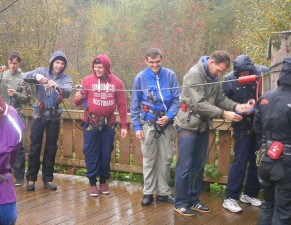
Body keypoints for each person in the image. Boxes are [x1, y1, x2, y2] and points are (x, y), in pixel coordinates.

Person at [174, 51, 254, 217]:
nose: (220, 74)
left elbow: (221, 99)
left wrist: (237, 107)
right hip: (188, 126)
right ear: (211, 62)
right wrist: (225, 114)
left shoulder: (213, 77)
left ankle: (194, 199)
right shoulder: (194, 74)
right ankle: (181, 203)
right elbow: (199, 104)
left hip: (203, 126)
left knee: (199, 165)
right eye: (219, 70)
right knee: (184, 166)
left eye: (222, 72)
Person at [130, 48, 180, 206]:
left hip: (167, 123)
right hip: (149, 123)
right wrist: (137, 127)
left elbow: (177, 99)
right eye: (151, 62)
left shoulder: (170, 75)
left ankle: (164, 192)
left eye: (157, 61)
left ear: (162, 59)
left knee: (166, 159)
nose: (155, 65)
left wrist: (169, 116)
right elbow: (134, 105)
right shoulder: (140, 78)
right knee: (149, 159)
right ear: (146, 61)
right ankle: (148, 193)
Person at [73, 54, 128, 197]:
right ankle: (92, 183)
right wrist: (78, 99)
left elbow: (122, 105)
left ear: (106, 67)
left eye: (100, 67)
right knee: (91, 153)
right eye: (95, 67)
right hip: (91, 123)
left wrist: (124, 125)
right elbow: (77, 102)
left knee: (105, 154)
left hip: (108, 124)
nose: (97, 70)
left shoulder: (117, 83)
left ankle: (103, 181)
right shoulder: (87, 81)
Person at [254, 57, 291, 225]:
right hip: (287, 164)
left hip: (265, 160)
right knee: (283, 212)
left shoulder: (266, 98)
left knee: (267, 205)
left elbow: (257, 129)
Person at [221, 55, 269, 212]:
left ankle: (249, 194)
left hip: (259, 125)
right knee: (239, 162)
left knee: (257, 161)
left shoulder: (261, 74)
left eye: (246, 72)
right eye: (240, 73)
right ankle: (230, 198)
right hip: (242, 125)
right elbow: (221, 100)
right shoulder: (229, 80)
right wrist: (234, 109)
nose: (243, 76)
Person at [24, 51, 72, 191]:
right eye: (57, 62)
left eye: (62, 63)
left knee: (51, 148)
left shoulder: (66, 78)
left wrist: (57, 86)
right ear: (52, 62)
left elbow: (68, 91)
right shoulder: (41, 70)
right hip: (38, 113)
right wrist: (37, 76)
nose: (59, 65)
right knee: (34, 147)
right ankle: (31, 179)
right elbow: (25, 77)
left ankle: (47, 179)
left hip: (54, 115)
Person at [0, 51, 31, 187]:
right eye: (11, 63)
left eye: (15, 63)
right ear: (8, 62)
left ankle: (19, 177)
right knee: (3, 144)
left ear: (19, 63)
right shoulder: (3, 75)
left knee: (17, 144)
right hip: (3, 114)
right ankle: (5, 172)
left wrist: (16, 94)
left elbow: (28, 98)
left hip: (17, 114)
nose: (12, 66)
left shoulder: (24, 78)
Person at [0, 96, 24, 225]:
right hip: (4, 177)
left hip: (3, 181)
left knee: (7, 217)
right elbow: (16, 145)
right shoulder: (12, 113)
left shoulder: (11, 114)